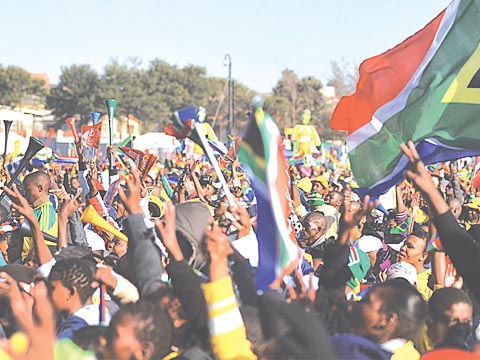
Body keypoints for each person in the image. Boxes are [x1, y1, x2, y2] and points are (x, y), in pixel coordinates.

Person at [21, 170, 58, 260]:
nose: (26, 195)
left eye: (28, 190)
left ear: (40, 188)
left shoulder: (45, 212)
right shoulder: (36, 209)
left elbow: (43, 243)